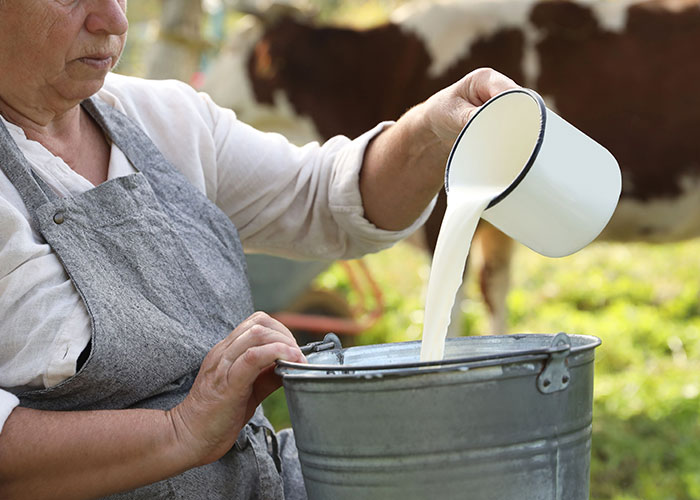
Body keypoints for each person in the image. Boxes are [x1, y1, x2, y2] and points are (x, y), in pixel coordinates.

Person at [0, 1, 519, 499]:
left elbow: (325, 201)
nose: (112, 19)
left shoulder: (161, 117)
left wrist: (430, 131)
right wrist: (180, 431)